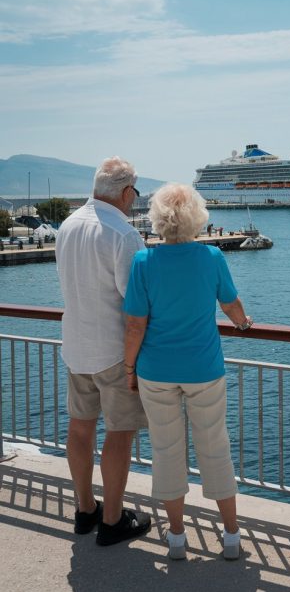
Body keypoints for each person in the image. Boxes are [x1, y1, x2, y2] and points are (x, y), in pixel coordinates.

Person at [123, 183, 252, 560]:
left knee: (166, 451)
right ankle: (230, 537)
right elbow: (231, 306)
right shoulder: (211, 257)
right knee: (215, 447)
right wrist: (244, 324)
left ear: (157, 219)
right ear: (198, 217)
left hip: (156, 370)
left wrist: (130, 368)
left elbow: (135, 325)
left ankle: (177, 539)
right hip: (204, 368)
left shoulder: (143, 262)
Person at [56, 156, 151, 546]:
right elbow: (136, 303)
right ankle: (113, 520)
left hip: (76, 345)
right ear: (127, 192)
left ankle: (84, 509)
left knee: (80, 428)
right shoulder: (123, 234)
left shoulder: (67, 225)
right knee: (120, 432)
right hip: (113, 351)